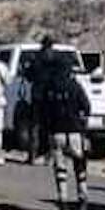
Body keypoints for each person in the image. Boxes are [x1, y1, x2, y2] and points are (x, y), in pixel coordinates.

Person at [40, 62, 92, 210]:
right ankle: (82, 200)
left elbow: (44, 111)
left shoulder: (50, 88)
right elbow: (87, 107)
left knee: (60, 169)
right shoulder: (75, 86)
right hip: (75, 132)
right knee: (80, 167)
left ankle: (62, 203)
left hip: (57, 133)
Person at [24, 34, 63, 165]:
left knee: (34, 126)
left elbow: (28, 76)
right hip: (52, 96)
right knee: (51, 127)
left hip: (38, 96)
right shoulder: (58, 58)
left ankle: (33, 155)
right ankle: (51, 156)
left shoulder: (36, 58)